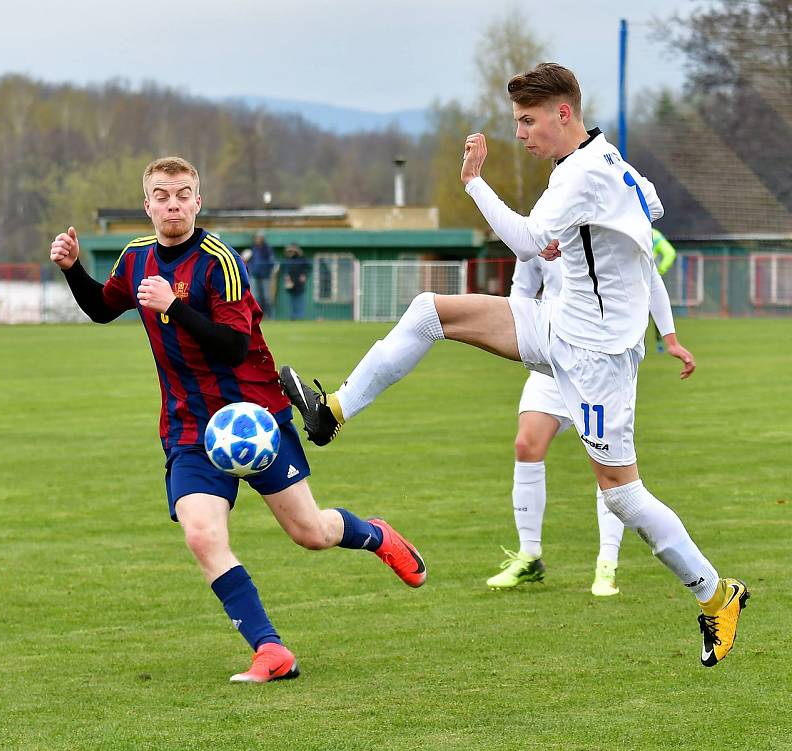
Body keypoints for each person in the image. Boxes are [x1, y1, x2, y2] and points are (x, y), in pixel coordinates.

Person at [279, 63, 749, 667]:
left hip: (598, 357)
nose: (521, 134)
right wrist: (652, 312)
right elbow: (641, 237)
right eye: (516, 122)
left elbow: (526, 243)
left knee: (624, 496)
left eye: (528, 121)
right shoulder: (612, 167)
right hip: (561, 326)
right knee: (429, 311)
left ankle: (716, 595)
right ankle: (332, 413)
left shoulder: (581, 173)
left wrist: (475, 181)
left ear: (564, 114)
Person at [49, 156, 426, 685]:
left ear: (197, 202)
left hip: (254, 420)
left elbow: (233, 346)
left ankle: (375, 534)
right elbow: (102, 308)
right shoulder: (135, 259)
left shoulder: (219, 261)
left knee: (311, 533)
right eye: (162, 194)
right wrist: (72, 270)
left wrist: (172, 308)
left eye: (183, 193)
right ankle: (270, 649)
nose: (173, 203)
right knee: (202, 536)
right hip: (188, 429)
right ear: (148, 205)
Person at [487, 253, 696, 597]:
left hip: (601, 360)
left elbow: (651, 278)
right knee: (526, 445)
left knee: (607, 464)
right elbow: (521, 290)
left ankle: (607, 564)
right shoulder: (539, 224)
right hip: (553, 354)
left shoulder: (610, 220)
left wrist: (670, 339)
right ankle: (529, 556)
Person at [651, 228, 678, 353]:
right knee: (657, 308)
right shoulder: (653, 234)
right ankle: (660, 342)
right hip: (650, 278)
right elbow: (670, 253)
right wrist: (660, 270)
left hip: (625, 282)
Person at [245, 231, 277, 319]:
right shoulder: (252, 248)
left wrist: (266, 270)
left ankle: (270, 317)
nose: (257, 239)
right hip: (254, 275)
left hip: (265, 276)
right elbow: (247, 261)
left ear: (262, 238)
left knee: (267, 298)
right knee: (255, 297)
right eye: (256, 237)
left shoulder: (267, 249)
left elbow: (272, 262)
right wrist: (251, 269)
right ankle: (257, 317)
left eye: (259, 237)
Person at [281, 244, 310, 320]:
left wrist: (304, 275)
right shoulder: (287, 259)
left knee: (299, 299)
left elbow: (308, 268)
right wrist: (286, 275)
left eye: (293, 250)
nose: (291, 252)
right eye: (290, 251)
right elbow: (283, 269)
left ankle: (300, 316)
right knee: (292, 301)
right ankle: (293, 317)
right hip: (290, 282)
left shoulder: (302, 258)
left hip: (299, 283)